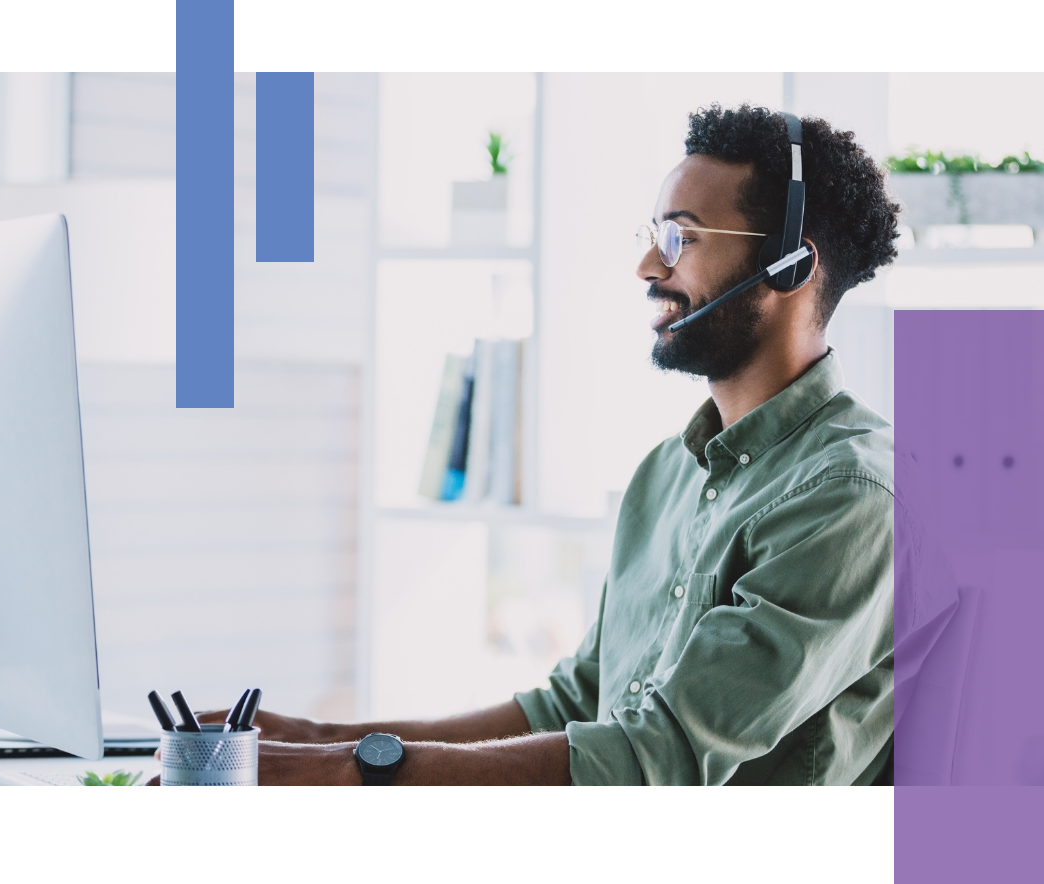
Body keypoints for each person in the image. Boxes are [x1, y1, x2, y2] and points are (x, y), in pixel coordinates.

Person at [164, 103, 901, 786]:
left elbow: (661, 754)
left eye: (680, 237)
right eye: (652, 236)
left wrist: (337, 773)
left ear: (791, 266)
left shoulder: (849, 496)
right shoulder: (666, 476)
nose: (648, 266)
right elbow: (572, 707)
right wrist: (318, 736)